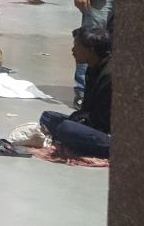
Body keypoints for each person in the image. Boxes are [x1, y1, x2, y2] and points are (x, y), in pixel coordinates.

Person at [39, 27, 112, 158]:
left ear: (90, 50)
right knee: (48, 117)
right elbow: (87, 108)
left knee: (66, 128)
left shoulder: (109, 76)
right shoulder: (93, 67)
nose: (73, 50)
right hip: (93, 124)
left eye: (77, 46)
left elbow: (103, 121)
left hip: (109, 135)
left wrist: (81, 120)